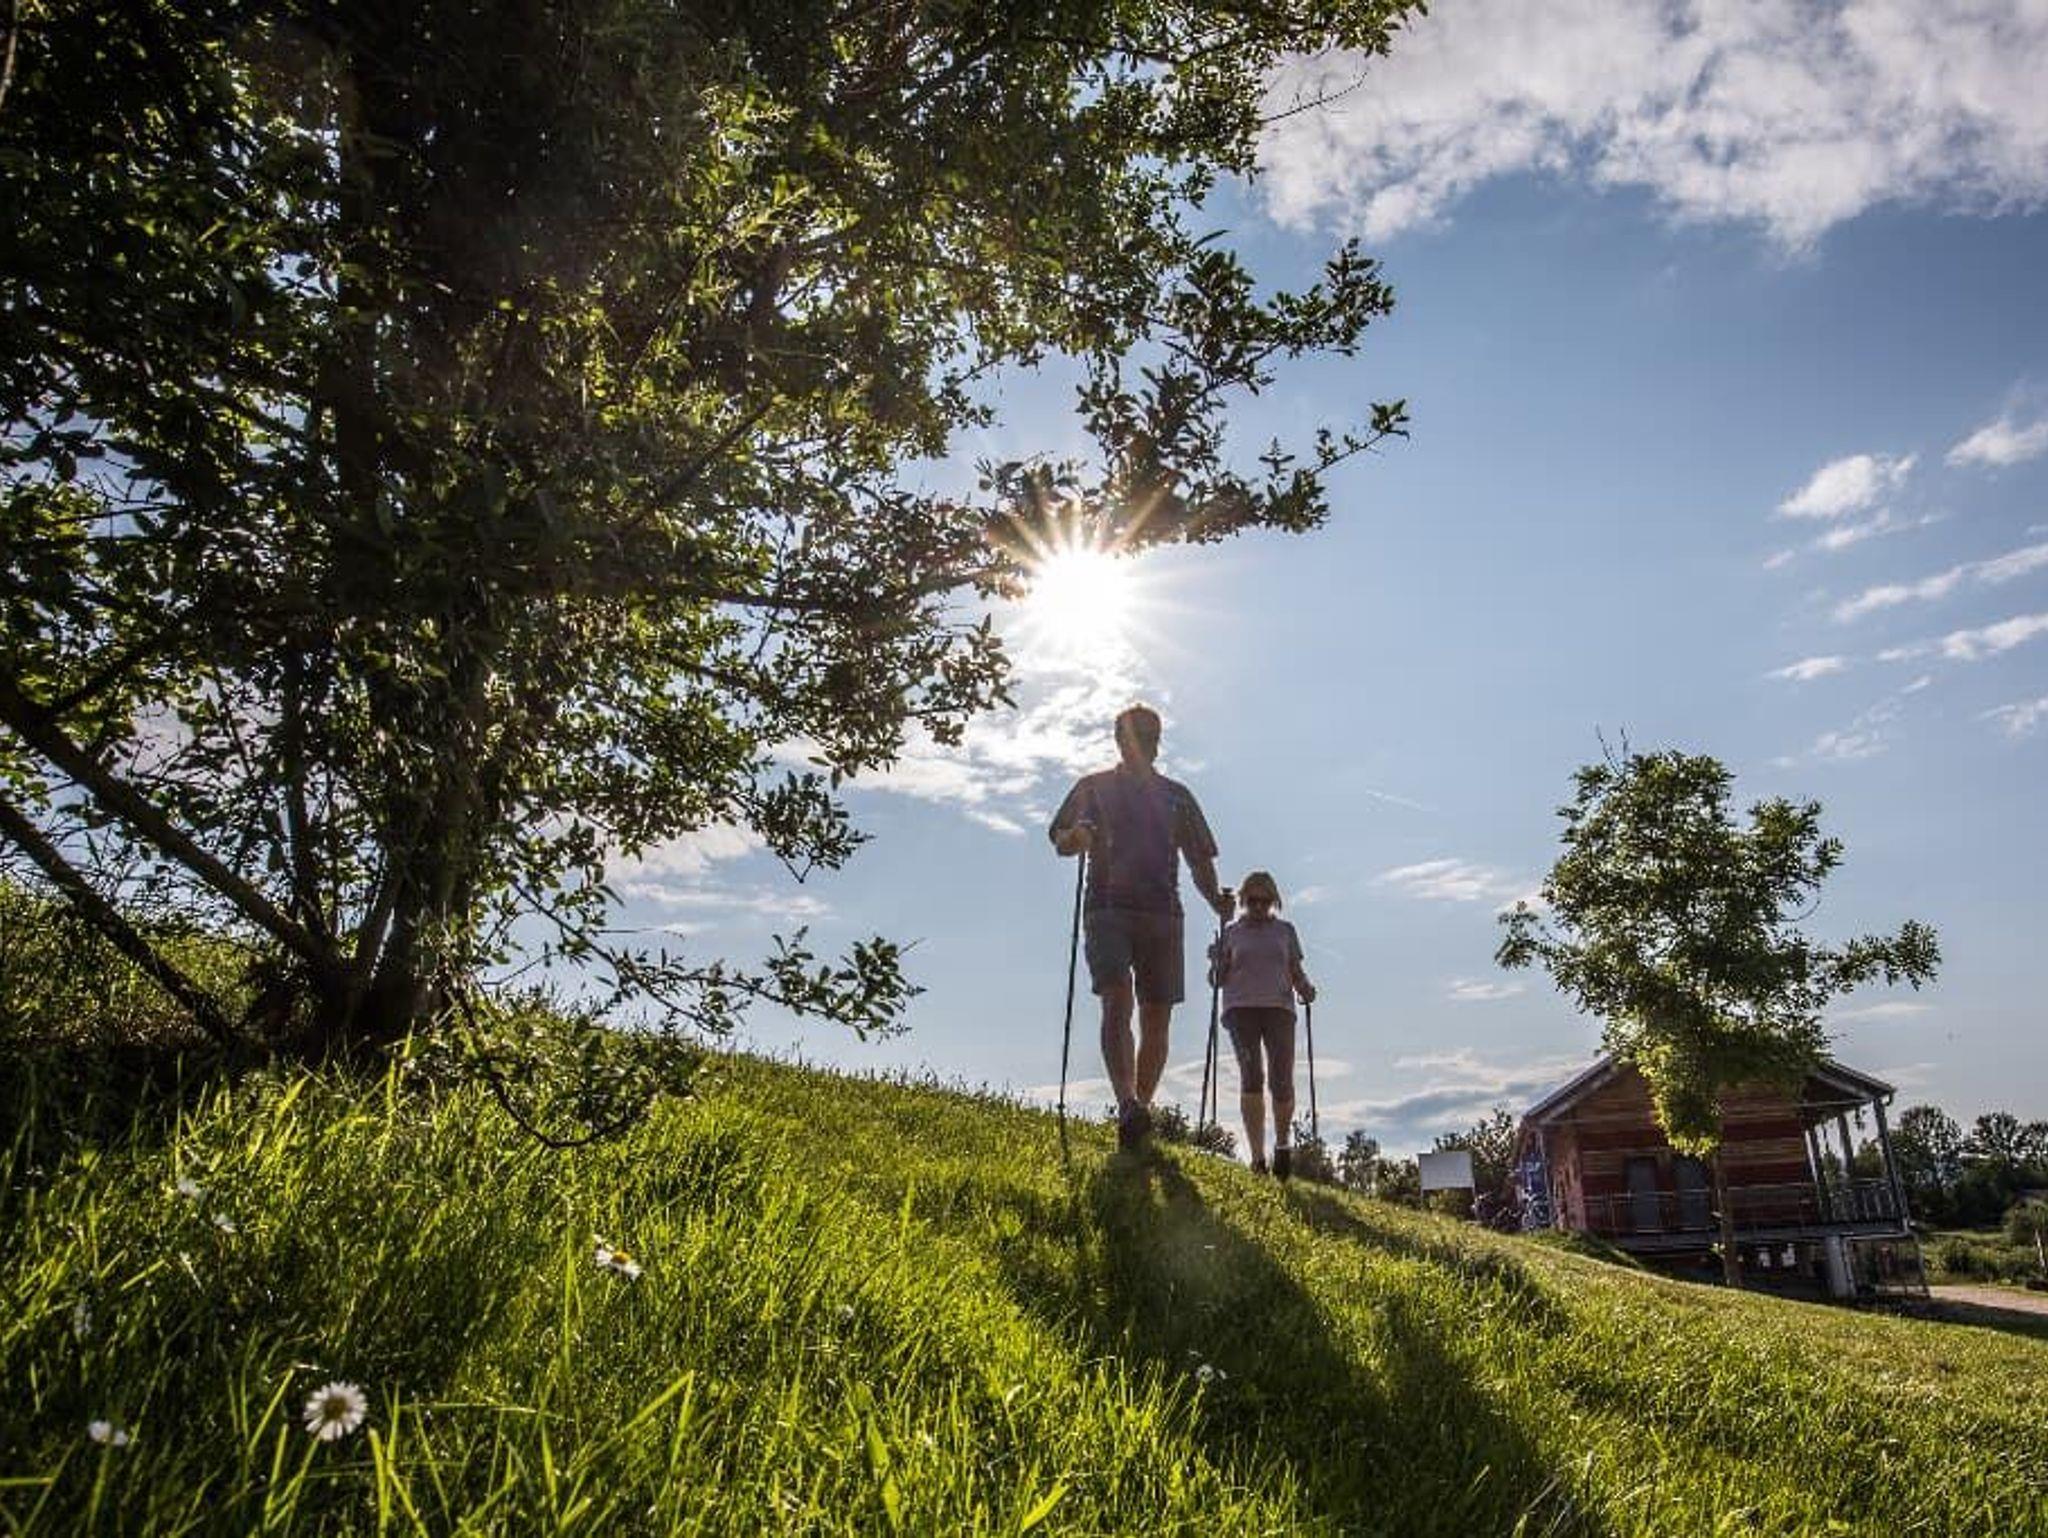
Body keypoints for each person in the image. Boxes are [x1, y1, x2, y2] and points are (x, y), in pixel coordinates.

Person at [1049, 704, 1231, 1151]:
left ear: (1157, 743)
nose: (1140, 744)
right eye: (1133, 735)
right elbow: (1059, 838)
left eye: (1148, 736)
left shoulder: (1177, 797)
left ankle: (1139, 1111)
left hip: (1163, 913)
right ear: (1118, 740)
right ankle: (1128, 1102)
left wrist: (1215, 899)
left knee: (1156, 1014)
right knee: (1117, 999)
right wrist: (1076, 839)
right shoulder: (1092, 787)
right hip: (1106, 907)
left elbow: (1200, 858)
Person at [1209, 870, 1315, 1177]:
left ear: (1274, 901)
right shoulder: (1231, 932)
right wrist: (1216, 962)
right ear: (1243, 899)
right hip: (1240, 1009)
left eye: (1265, 901)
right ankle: (1257, 1158)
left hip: (1279, 1009)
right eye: (1253, 900)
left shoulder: (1285, 931)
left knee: (1281, 1081)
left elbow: (1295, 969)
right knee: (1251, 1076)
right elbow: (1216, 980)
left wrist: (1305, 988)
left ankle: (1282, 1145)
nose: (1258, 906)